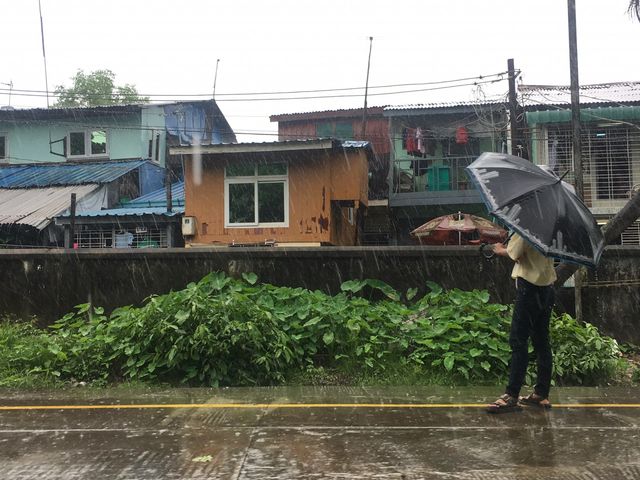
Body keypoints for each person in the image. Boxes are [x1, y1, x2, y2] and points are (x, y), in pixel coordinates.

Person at [486, 233, 557, 413]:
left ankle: (511, 395)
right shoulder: (552, 227)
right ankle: (541, 393)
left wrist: (498, 249)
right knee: (542, 341)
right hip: (547, 288)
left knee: (518, 340)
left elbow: (514, 253)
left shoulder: (526, 227)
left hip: (529, 288)